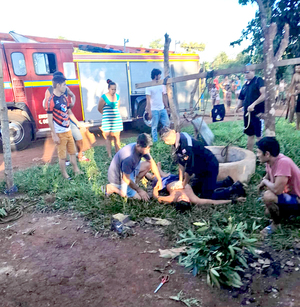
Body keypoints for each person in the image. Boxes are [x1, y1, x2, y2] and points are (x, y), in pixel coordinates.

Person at [159, 127, 246, 200]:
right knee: (197, 188)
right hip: (200, 167)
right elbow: (181, 163)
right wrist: (180, 180)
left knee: (207, 196)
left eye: (167, 140)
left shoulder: (186, 145)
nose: (167, 142)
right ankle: (226, 182)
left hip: (209, 166)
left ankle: (234, 189)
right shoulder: (177, 140)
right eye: (166, 140)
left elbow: (189, 168)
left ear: (173, 132)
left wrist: (183, 184)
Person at [256, 137, 300, 236]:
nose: (257, 155)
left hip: (297, 199)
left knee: (268, 196)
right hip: (289, 196)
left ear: (267, 154)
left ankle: (276, 225)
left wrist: (265, 181)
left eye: (258, 152)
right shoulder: (271, 160)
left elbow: (277, 190)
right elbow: (268, 173)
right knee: (268, 212)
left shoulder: (283, 163)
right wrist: (262, 183)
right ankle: (288, 214)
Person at [43, 71, 90, 162]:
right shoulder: (49, 91)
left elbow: (72, 96)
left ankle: (80, 155)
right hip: (57, 121)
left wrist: (72, 104)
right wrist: (53, 132)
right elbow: (47, 106)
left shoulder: (65, 89)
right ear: (57, 83)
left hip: (67, 118)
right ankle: (65, 160)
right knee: (61, 143)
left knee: (79, 138)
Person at [150, 162, 232, 212]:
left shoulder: (172, 198)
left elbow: (157, 198)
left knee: (154, 177)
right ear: (189, 201)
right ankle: (159, 170)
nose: (181, 196)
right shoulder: (194, 199)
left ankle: (148, 173)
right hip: (178, 180)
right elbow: (212, 202)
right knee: (167, 175)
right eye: (184, 198)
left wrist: (155, 189)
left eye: (179, 199)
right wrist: (232, 201)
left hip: (167, 182)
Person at [104, 133, 162, 200]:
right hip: (118, 177)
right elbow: (125, 178)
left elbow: (152, 162)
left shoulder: (142, 149)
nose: (148, 151)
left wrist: (159, 180)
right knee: (138, 198)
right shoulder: (128, 157)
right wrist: (139, 190)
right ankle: (112, 188)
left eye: (148, 148)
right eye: (146, 149)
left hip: (129, 169)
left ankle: (134, 183)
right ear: (138, 145)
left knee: (148, 165)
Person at [46, 75, 82, 179]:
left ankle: (76, 170)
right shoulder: (51, 100)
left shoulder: (64, 98)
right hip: (59, 132)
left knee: (72, 152)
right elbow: (50, 119)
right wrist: (54, 135)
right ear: (58, 85)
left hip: (68, 130)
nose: (66, 87)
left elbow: (68, 111)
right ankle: (65, 175)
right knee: (62, 156)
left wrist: (78, 124)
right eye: (64, 85)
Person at [235, 67, 266, 151]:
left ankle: (261, 156)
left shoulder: (258, 80)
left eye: (247, 72)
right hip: (247, 115)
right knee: (249, 134)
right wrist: (237, 107)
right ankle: (250, 154)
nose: (246, 74)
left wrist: (253, 104)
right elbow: (241, 99)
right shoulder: (245, 85)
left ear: (253, 71)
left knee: (259, 135)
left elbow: (264, 94)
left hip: (258, 113)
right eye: (244, 72)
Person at [98, 79, 123, 158]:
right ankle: (109, 155)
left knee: (117, 138)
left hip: (116, 121)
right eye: (112, 89)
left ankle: (117, 153)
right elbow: (99, 108)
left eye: (115, 89)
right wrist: (106, 115)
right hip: (107, 121)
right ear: (108, 89)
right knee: (108, 138)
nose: (113, 91)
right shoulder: (104, 97)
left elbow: (117, 107)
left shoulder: (117, 97)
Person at [145, 69, 170, 142]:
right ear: (155, 76)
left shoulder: (161, 85)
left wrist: (167, 107)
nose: (160, 76)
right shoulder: (149, 86)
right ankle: (155, 142)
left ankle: (166, 139)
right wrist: (149, 111)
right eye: (159, 75)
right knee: (154, 127)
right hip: (154, 110)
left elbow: (163, 96)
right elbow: (148, 100)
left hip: (162, 108)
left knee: (167, 124)